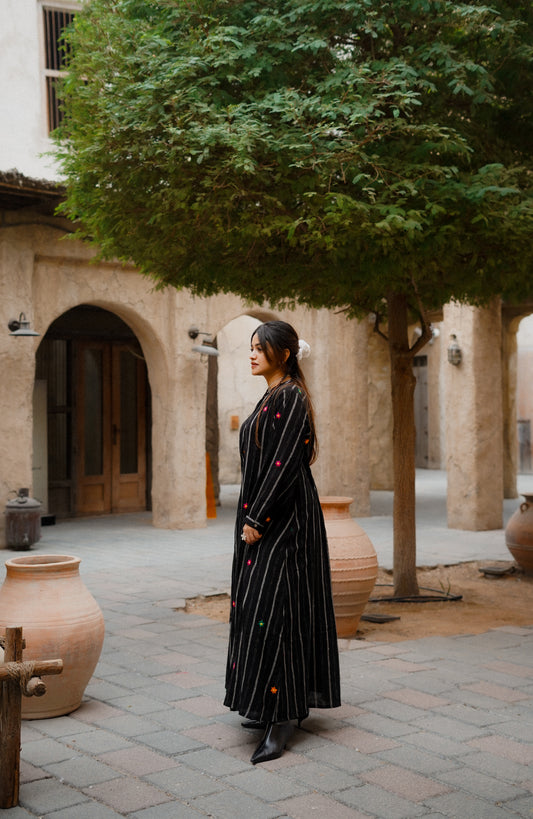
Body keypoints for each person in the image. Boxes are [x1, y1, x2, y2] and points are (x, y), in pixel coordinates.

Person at [224, 320, 341, 765]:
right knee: (258, 609)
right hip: (267, 515)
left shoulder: (290, 396)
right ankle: (268, 702)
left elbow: (284, 463)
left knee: (278, 612)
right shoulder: (273, 394)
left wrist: (258, 517)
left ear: (284, 354)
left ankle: (283, 719)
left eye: (260, 348)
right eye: (251, 348)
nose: (251, 354)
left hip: (284, 520)